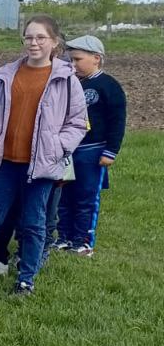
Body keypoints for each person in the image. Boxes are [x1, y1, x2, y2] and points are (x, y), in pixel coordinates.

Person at [0, 16, 87, 295]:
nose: (33, 43)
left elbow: (77, 122)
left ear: (54, 42)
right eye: (28, 37)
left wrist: (58, 146)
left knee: (34, 223)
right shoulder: (6, 75)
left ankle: (26, 278)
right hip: (6, 163)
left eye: (40, 38)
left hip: (42, 165)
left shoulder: (66, 79)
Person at [56, 35, 126, 256]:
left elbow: (117, 120)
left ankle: (84, 240)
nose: (73, 64)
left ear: (96, 58)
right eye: (71, 60)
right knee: (64, 196)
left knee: (86, 197)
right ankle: (64, 237)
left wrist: (110, 151)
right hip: (68, 150)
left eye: (78, 59)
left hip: (93, 149)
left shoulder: (108, 86)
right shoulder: (70, 82)